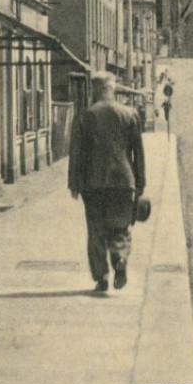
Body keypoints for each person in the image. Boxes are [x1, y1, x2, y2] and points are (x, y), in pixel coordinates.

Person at [68, 72, 146, 293]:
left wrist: (74, 182)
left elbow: (77, 152)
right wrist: (140, 183)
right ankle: (120, 258)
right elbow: (138, 153)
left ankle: (101, 277)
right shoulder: (130, 114)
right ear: (113, 89)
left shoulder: (86, 115)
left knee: (96, 230)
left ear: (95, 89)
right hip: (124, 182)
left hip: (93, 183)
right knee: (121, 225)